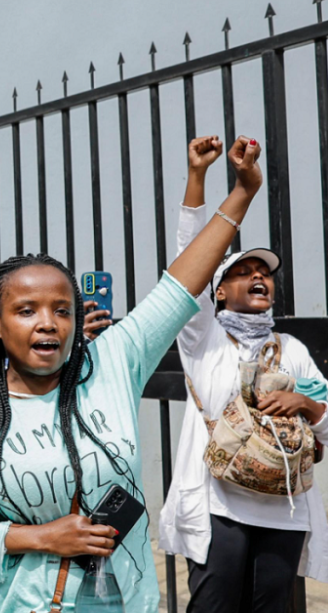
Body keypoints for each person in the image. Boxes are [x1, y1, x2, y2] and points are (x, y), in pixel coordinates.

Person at [0, 135, 266, 611]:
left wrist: (242, 192)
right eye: (26, 310)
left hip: (129, 602)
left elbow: (180, 286)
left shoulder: (112, 363)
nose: (47, 323)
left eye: (62, 310)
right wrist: (38, 537)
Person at [158, 137, 328, 612]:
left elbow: (326, 423)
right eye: (243, 271)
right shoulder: (204, 339)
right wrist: (197, 178)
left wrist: (307, 405)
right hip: (218, 509)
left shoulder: (291, 350)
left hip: (283, 512)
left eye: (264, 272)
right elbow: (189, 264)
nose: (258, 276)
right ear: (217, 291)